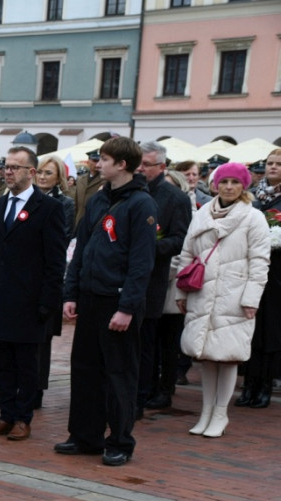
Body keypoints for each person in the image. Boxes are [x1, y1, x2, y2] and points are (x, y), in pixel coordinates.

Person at [58, 137, 157, 466]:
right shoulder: (98, 199)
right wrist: (71, 292)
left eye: (103, 159)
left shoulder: (142, 204)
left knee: (119, 373)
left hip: (117, 302)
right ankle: (85, 435)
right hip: (90, 297)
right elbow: (81, 248)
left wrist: (127, 307)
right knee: (85, 370)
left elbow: (142, 263)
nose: (97, 164)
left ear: (122, 165)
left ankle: (120, 440)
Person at [0, 146, 67, 440]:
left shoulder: (49, 208)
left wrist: (47, 303)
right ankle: (5, 414)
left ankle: (23, 418)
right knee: (3, 362)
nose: (8, 171)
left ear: (31, 172)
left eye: (15, 167)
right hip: (1, 298)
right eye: (6, 166)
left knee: (27, 363)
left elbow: (55, 261)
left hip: (30, 301)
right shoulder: (0, 205)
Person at [177, 162, 270, 437]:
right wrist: (182, 292)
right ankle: (205, 411)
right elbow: (187, 254)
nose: (229, 187)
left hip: (234, 296)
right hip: (203, 293)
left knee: (227, 356)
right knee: (206, 355)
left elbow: (260, 262)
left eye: (235, 182)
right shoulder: (203, 214)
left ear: (244, 186)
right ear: (216, 184)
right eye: (224, 181)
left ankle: (220, 414)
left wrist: (251, 298)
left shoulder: (254, 218)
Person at [135, 141, 191, 413]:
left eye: (146, 164)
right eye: (139, 163)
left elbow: (180, 240)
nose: (140, 169)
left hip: (155, 279)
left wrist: (148, 245)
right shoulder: (129, 191)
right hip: (126, 278)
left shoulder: (175, 198)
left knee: (151, 341)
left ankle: (147, 392)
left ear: (162, 167)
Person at [33, 154, 76, 409]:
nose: (42, 177)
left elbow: (63, 235)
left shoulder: (64, 203)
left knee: (43, 336)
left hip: (48, 275)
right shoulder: (27, 198)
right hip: (25, 276)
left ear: (59, 176)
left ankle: (37, 387)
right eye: (39, 172)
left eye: (48, 173)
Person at [240, 149, 281, 408]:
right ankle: (248, 384)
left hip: (277, 274)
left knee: (271, 329)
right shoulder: (253, 197)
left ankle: (265, 383)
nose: (273, 167)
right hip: (251, 270)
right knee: (249, 328)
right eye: (270, 163)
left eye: (278, 164)